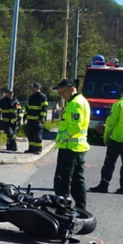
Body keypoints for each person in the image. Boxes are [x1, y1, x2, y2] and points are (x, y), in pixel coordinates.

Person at [90, 83, 123, 195]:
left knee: (109, 163)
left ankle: (104, 185)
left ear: (121, 93)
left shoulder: (118, 105)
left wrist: (106, 137)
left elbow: (110, 123)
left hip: (117, 139)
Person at [53, 78, 90, 211]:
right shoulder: (79, 102)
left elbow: (76, 126)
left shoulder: (75, 104)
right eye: (59, 92)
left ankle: (62, 210)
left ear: (72, 88)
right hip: (76, 148)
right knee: (76, 181)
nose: (61, 94)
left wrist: (62, 138)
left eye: (63, 91)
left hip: (70, 148)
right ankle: (81, 209)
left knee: (62, 181)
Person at [24, 82, 48, 154]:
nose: (32, 89)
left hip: (38, 120)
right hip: (30, 120)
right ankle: (31, 148)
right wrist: (25, 115)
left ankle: (38, 149)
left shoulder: (42, 97)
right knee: (30, 135)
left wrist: (41, 118)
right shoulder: (31, 97)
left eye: (33, 87)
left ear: (38, 88)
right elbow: (27, 107)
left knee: (37, 135)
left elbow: (44, 108)